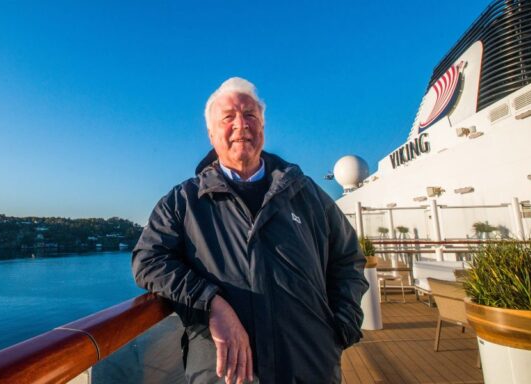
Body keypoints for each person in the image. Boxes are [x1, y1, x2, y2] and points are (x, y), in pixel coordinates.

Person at [132, 77, 368, 384]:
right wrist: (211, 302)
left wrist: (340, 329)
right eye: (228, 117)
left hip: (312, 367)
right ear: (211, 132)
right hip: (225, 374)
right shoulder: (184, 202)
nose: (241, 125)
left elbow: (348, 260)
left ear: (262, 127)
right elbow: (148, 261)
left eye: (250, 116)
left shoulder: (306, 193)